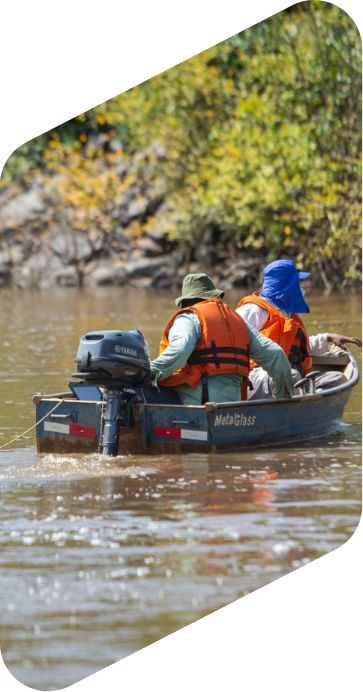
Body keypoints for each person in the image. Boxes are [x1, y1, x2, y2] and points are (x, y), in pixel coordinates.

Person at [139, 273, 294, 406]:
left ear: (186, 301)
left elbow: (179, 351)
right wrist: (281, 397)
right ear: (214, 296)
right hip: (233, 404)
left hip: (197, 403)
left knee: (134, 389)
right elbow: (276, 354)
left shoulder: (189, 317)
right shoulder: (238, 321)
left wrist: (148, 372)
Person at [236, 259, 363, 399]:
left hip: (290, 379)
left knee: (338, 379)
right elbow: (232, 344)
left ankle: (310, 405)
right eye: (296, 282)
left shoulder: (287, 314)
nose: (299, 287)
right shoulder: (253, 310)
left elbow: (297, 349)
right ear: (287, 285)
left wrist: (328, 337)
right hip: (256, 378)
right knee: (291, 375)